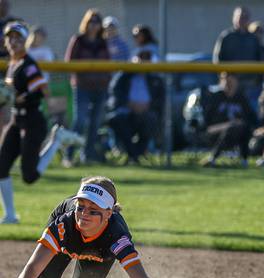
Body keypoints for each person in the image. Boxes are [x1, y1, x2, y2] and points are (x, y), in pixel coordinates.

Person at [2, 176, 182, 278]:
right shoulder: (64, 225)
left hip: (99, 255)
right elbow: (34, 267)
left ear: (109, 213)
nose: (84, 214)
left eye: (93, 210)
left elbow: (139, 277)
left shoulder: (116, 236)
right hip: (66, 243)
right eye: (80, 206)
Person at [0, 23, 81, 224]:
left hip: (32, 121)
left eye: (18, 38)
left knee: (29, 176)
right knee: (1, 166)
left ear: (25, 41)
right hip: (17, 120)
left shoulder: (28, 65)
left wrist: (18, 97)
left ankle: (56, 141)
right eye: (10, 37)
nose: (13, 41)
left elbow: (44, 91)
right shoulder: (12, 64)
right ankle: (10, 215)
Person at [65, 9, 111, 165]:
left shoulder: (102, 42)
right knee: (80, 121)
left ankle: (88, 154)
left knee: (95, 123)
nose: (94, 25)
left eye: (97, 22)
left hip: (100, 88)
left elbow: (108, 64)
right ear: (86, 23)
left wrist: (104, 80)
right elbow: (69, 62)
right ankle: (69, 155)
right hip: (82, 87)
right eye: (91, 22)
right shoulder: (78, 40)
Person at [106, 49, 165, 165]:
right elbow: (114, 90)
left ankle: (135, 156)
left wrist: (147, 106)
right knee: (116, 119)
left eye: (146, 59)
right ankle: (135, 156)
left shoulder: (154, 78)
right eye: (140, 58)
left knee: (151, 119)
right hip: (127, 111)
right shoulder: (125, 76)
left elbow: (160, 100)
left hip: (146, 112)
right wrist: (129, 104)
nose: (143, 62)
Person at [213, 6, 264, 112]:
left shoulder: (253, 39)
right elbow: (217, 60)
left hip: (251, 86)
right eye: (240, 17)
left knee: (251, 114)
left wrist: (257, 80)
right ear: (234, 18)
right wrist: (226, 79)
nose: (243, 20)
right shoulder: (227, 37)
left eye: (246, 17)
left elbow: (261, 61)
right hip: (231, 87)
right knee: (232, 115)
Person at [201, 72, 256, 168]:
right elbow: (207, 125)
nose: (228, 84)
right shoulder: (215, 98)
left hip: (237, 132)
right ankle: (213, 158)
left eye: (231, 82)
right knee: (231, 127)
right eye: (226, 81)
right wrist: (229, 124)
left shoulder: (241, 99)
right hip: (215, 131)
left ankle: (244, 160)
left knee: (242, 128)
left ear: (236, 83)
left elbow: (250, 118)